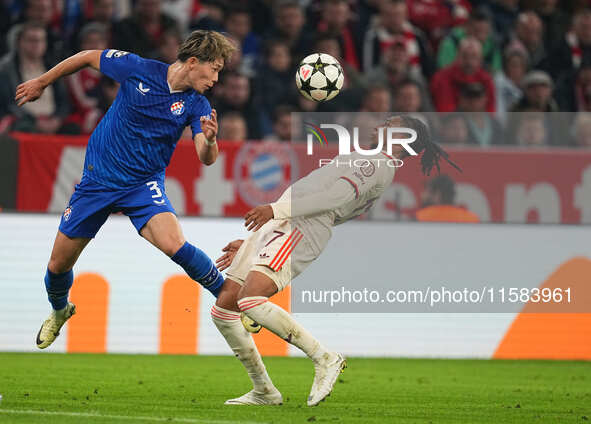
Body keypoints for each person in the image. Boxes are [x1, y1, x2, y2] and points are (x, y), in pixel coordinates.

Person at [210, 116, 461, 406]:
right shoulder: (371, 160)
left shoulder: (377, 164)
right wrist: (258, 242)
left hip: (300, 226)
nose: (381, 125)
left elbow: (333, 199)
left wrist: (275, 210)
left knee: (251, 299)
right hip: (285, 224)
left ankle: (325, 358)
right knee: (225, 307)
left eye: (390, 124)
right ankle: (264, 391)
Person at [14, 30, 236, 349]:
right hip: (98, 182)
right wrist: (42, 81)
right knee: (57, 266)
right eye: (214, 68)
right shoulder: (138, 69)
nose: (217, 78)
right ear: (192, 62)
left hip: (142, 186)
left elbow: (206, 156)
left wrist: (212, 140)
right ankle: (60, 310)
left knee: (176, 245)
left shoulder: (197, 105)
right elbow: (87, 56)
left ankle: (229, 299)